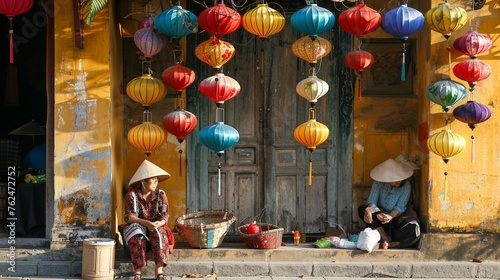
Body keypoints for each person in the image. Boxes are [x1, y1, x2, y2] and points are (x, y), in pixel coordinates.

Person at [123, 160, 172, 280]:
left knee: (159, 232)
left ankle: (159, 271)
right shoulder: (132, 195)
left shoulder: (160, 194)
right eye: (152, 179)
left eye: (157, 179)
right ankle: (137, 272)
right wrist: (145, 223)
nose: (156, 182)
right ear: (143, 181)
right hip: (139, 224)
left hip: (156, 224)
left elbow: (165, 215)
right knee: (136, 232)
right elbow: (129, 217)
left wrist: (158, 223)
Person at [358, 157, 418, 249]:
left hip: (395, 218)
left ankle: (396, 243)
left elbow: (400, 207)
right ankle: (384, 237)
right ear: (388, 178)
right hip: (379, 217)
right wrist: (376, 213)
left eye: (400, 178)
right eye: (395, 179)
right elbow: (372, 201)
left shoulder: (406, 186)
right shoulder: (378, 183)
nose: (399, 181)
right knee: (362, 209)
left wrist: (390, 217)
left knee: (413, 227)